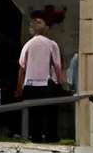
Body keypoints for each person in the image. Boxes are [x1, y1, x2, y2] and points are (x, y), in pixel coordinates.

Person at [17, 10, 66, 142]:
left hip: (30, 85)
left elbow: (22, 67)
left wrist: (19, 87)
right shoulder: (51, 44)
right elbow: (57, 66)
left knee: (34, 115)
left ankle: (36, 137)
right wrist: (60, 83)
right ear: (47, 29)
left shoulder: (28, 44)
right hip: (46, 84)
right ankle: (51, 136)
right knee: (50, 113)